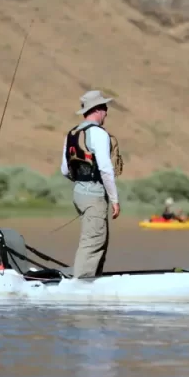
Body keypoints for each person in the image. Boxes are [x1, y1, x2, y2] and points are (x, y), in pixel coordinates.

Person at [60, 90, 121, 278]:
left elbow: (64, 169)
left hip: (79, 193)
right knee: (93, 242)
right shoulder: (99, 134)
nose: (107, 112)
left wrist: (81, 183)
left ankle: (93, 282)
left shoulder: (72, 133)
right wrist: (114, 200)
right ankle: (80, 286)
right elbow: (105, 168)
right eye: (104, 107)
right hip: (94, 195)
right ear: (98, 110)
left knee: (97, 240)